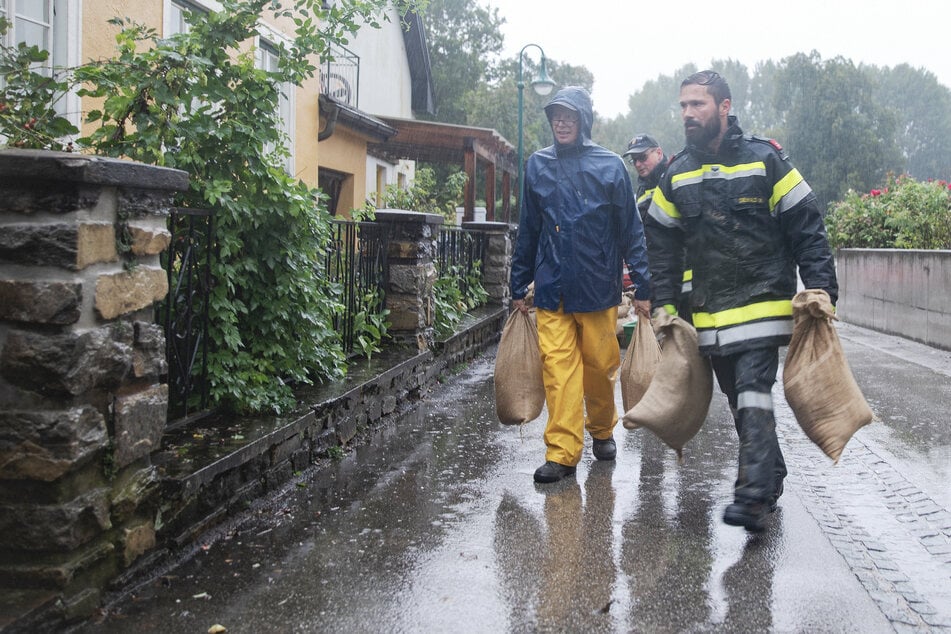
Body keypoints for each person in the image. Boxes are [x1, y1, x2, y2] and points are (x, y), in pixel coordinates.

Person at [644, 70, 838, 530]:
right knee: (740, 400)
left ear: (724, 107)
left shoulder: (765, 160)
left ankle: (751, 497)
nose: (689, 114)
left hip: (761, 308)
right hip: (710, 316)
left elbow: (806, 224)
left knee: (753, 390)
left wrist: (823, 289)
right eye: (684, 106)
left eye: (699, 105)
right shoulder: (677, 174)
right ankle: (771, 473)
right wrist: (664, 304)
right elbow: (662, 244)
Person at [510, 85, 652, 484]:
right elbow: (529, 229)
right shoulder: (537, 165)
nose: (561, 121)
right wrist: (518, 283)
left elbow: (630, 231)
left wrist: (643, 286)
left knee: (599, 368)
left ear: (584, 120)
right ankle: (562, 453)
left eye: (569, 115)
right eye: (555, 115)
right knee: (559, 371)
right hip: (552, 290)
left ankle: (603, 429)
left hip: (597, 289)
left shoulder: (610, 167)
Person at [622, 133, 692, 319]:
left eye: (642, 157)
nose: (638, 164)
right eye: (634, 160)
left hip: (685, 277)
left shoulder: (675, 178)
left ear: (659, 153)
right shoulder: (642, 190)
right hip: (658, 277)